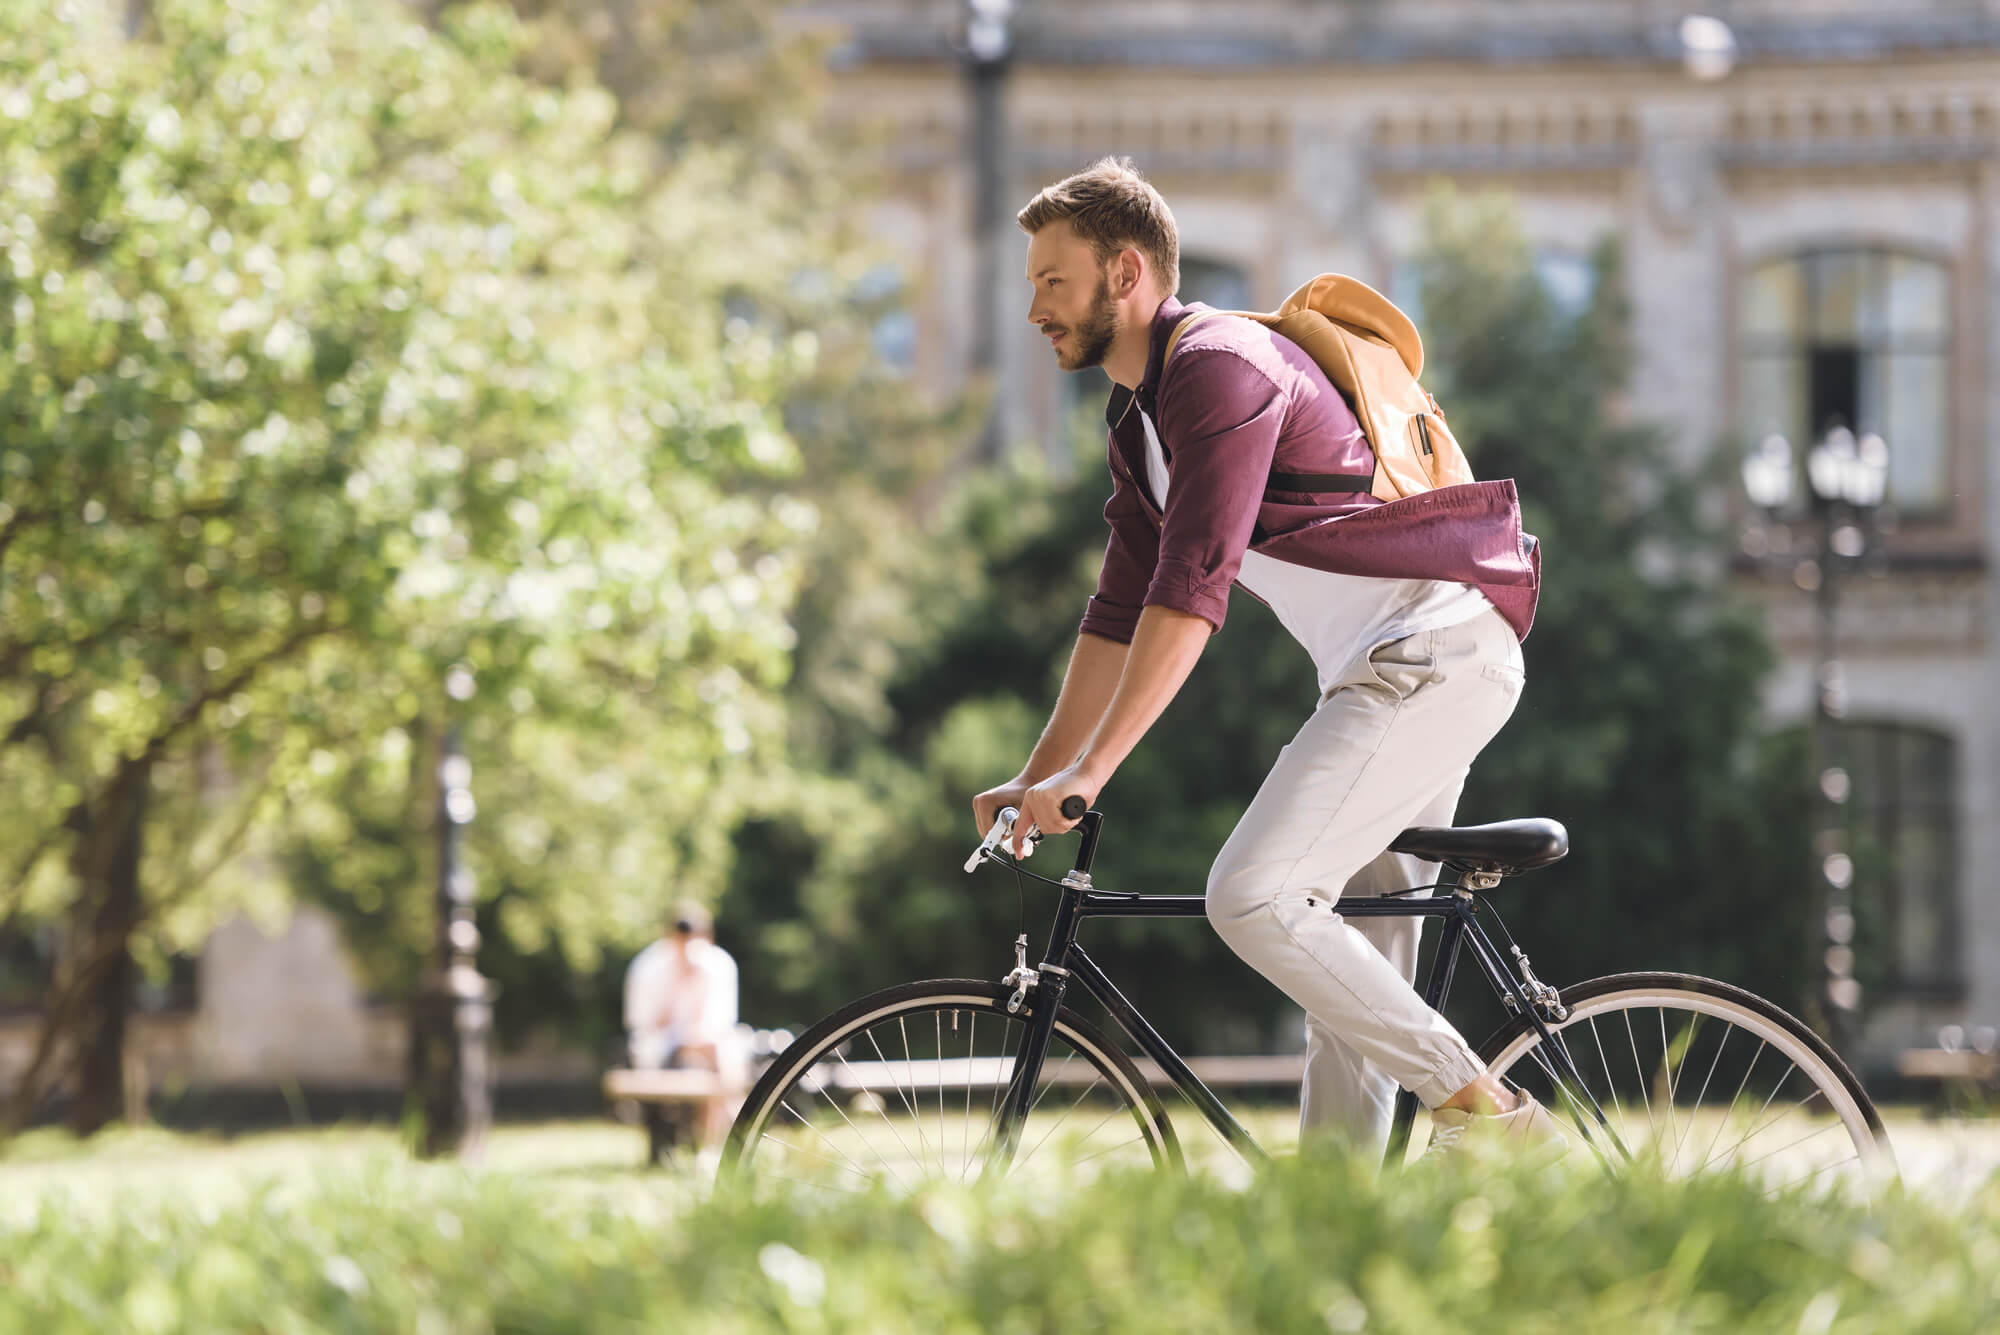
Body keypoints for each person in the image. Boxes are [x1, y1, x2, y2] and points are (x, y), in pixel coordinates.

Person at [972, 157, 1561, 1161]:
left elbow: (1190, 588)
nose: (1035, 308)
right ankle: (1335, 1218)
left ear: (1125, 273)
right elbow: (1116, 615)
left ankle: (1489, 1114)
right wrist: (1039, 776)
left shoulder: (1219, 366)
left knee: (1250, 894)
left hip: (1429, 655)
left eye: (1052, 281)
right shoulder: (1140, 418)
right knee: (1347, 959)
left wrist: (1092, 772)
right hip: (1397, 670)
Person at [623, 902, 746, 1148]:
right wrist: (677, 988)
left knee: (719, 1054)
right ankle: (729, 1131)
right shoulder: (648, 967)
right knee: (713, 1058)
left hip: (706, 1046)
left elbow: (722, 1023)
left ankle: (717, 1136)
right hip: (661, 1046)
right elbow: (641, 1023)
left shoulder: (718, 965)